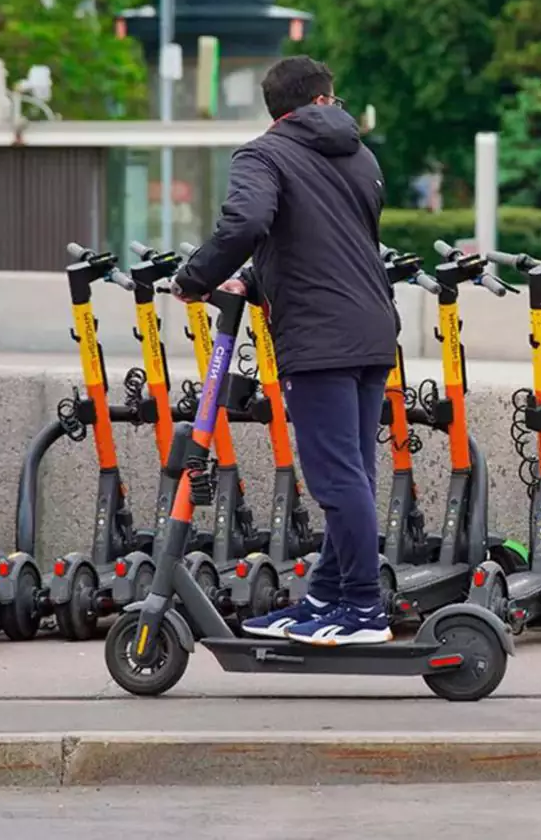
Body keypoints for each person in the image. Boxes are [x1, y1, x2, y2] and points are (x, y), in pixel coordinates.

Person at [169, 55, 398, 647]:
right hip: (372, 327)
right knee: (354, 474)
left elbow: (247, 222)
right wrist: (253, 278)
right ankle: (327, 596)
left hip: (319, 336)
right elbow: (324, 242)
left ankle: (364, 609)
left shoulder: (262, 155)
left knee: (337, 479)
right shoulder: (361, 156)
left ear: (275, 107)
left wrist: (195, 278)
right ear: (322, 99)